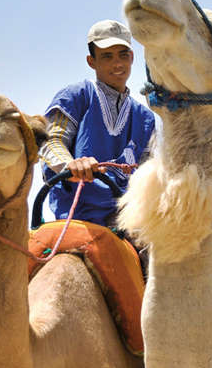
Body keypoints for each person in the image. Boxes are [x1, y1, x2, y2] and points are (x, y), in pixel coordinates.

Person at [39, 19, 156, 228]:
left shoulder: (145, 118)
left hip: (127, 221)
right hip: (77, 218)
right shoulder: (75, 96)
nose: (117, 64)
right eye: (107, 56)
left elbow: (149, 172)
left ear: (131, 57)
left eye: (123, 55)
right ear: (91, 61)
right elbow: (51, 141)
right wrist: (70, 165)